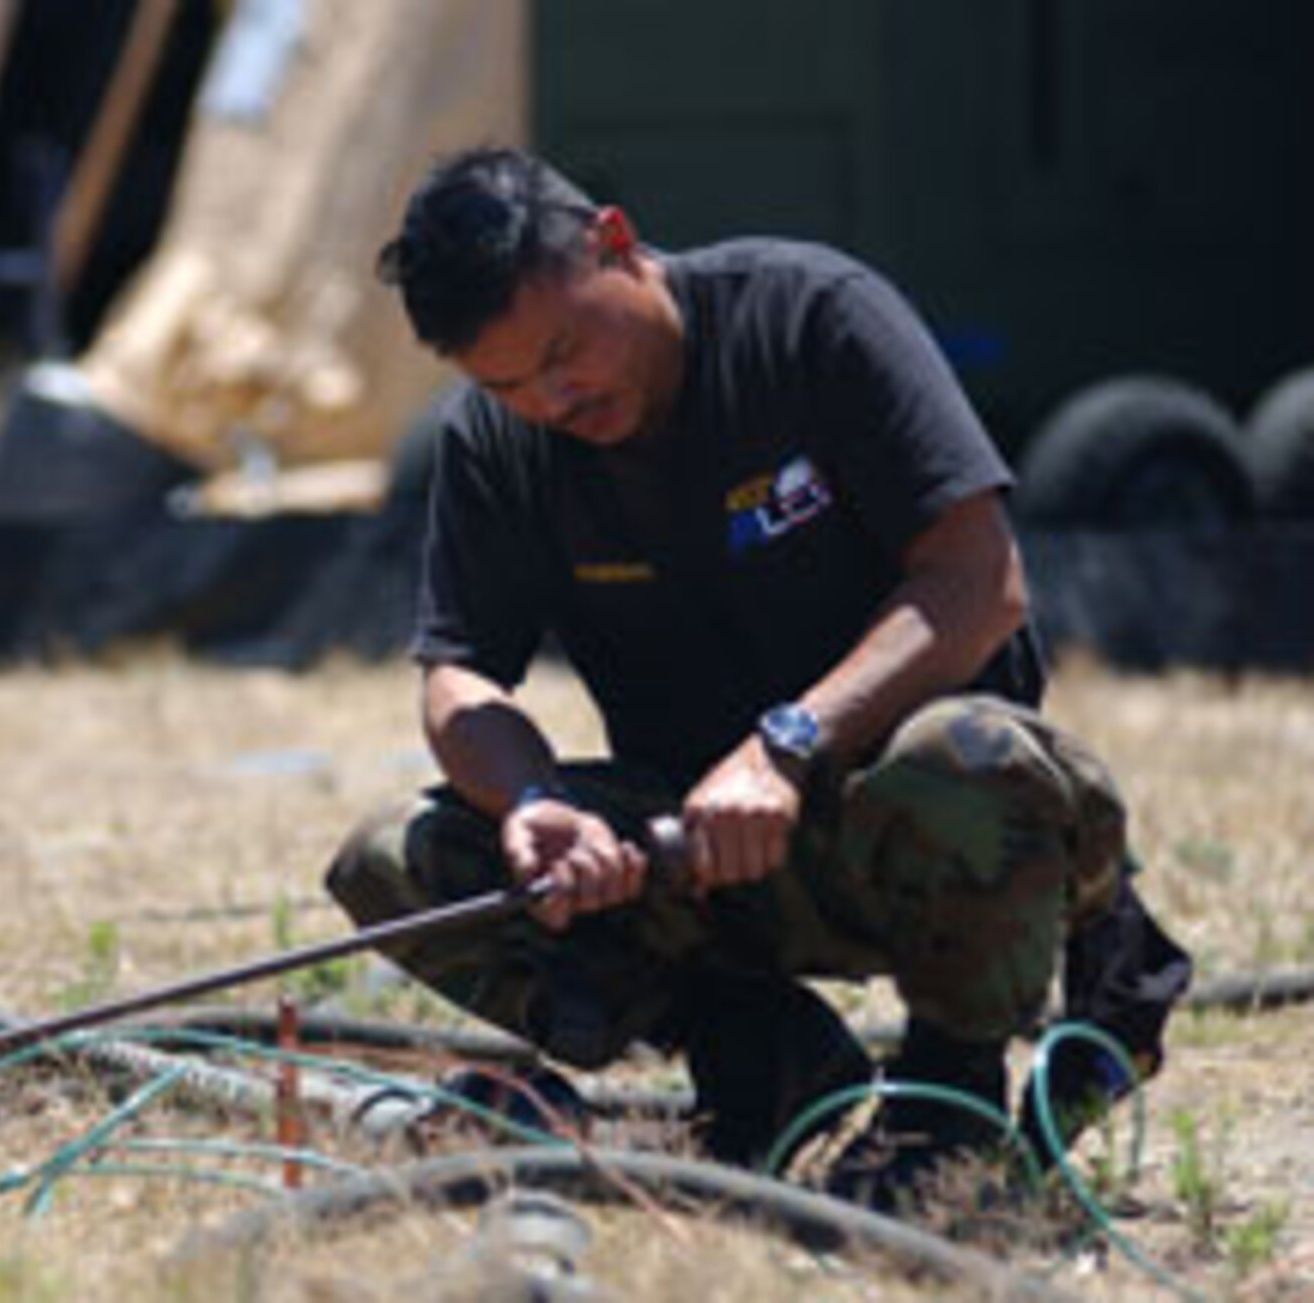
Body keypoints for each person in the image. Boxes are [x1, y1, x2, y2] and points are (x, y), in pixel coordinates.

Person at [325, 146, 1192, 1207]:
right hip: (701, 851)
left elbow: (978, 578)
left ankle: (945, 1105)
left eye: (564, 349)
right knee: (390, 860)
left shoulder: (810, 319)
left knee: (962, 754)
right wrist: (536, 801)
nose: (553, 398)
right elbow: (457, 674)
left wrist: (786, 743)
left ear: (613, 242)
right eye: (509, 384)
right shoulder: (499, 443)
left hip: (925, 832)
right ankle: (762, 1052)